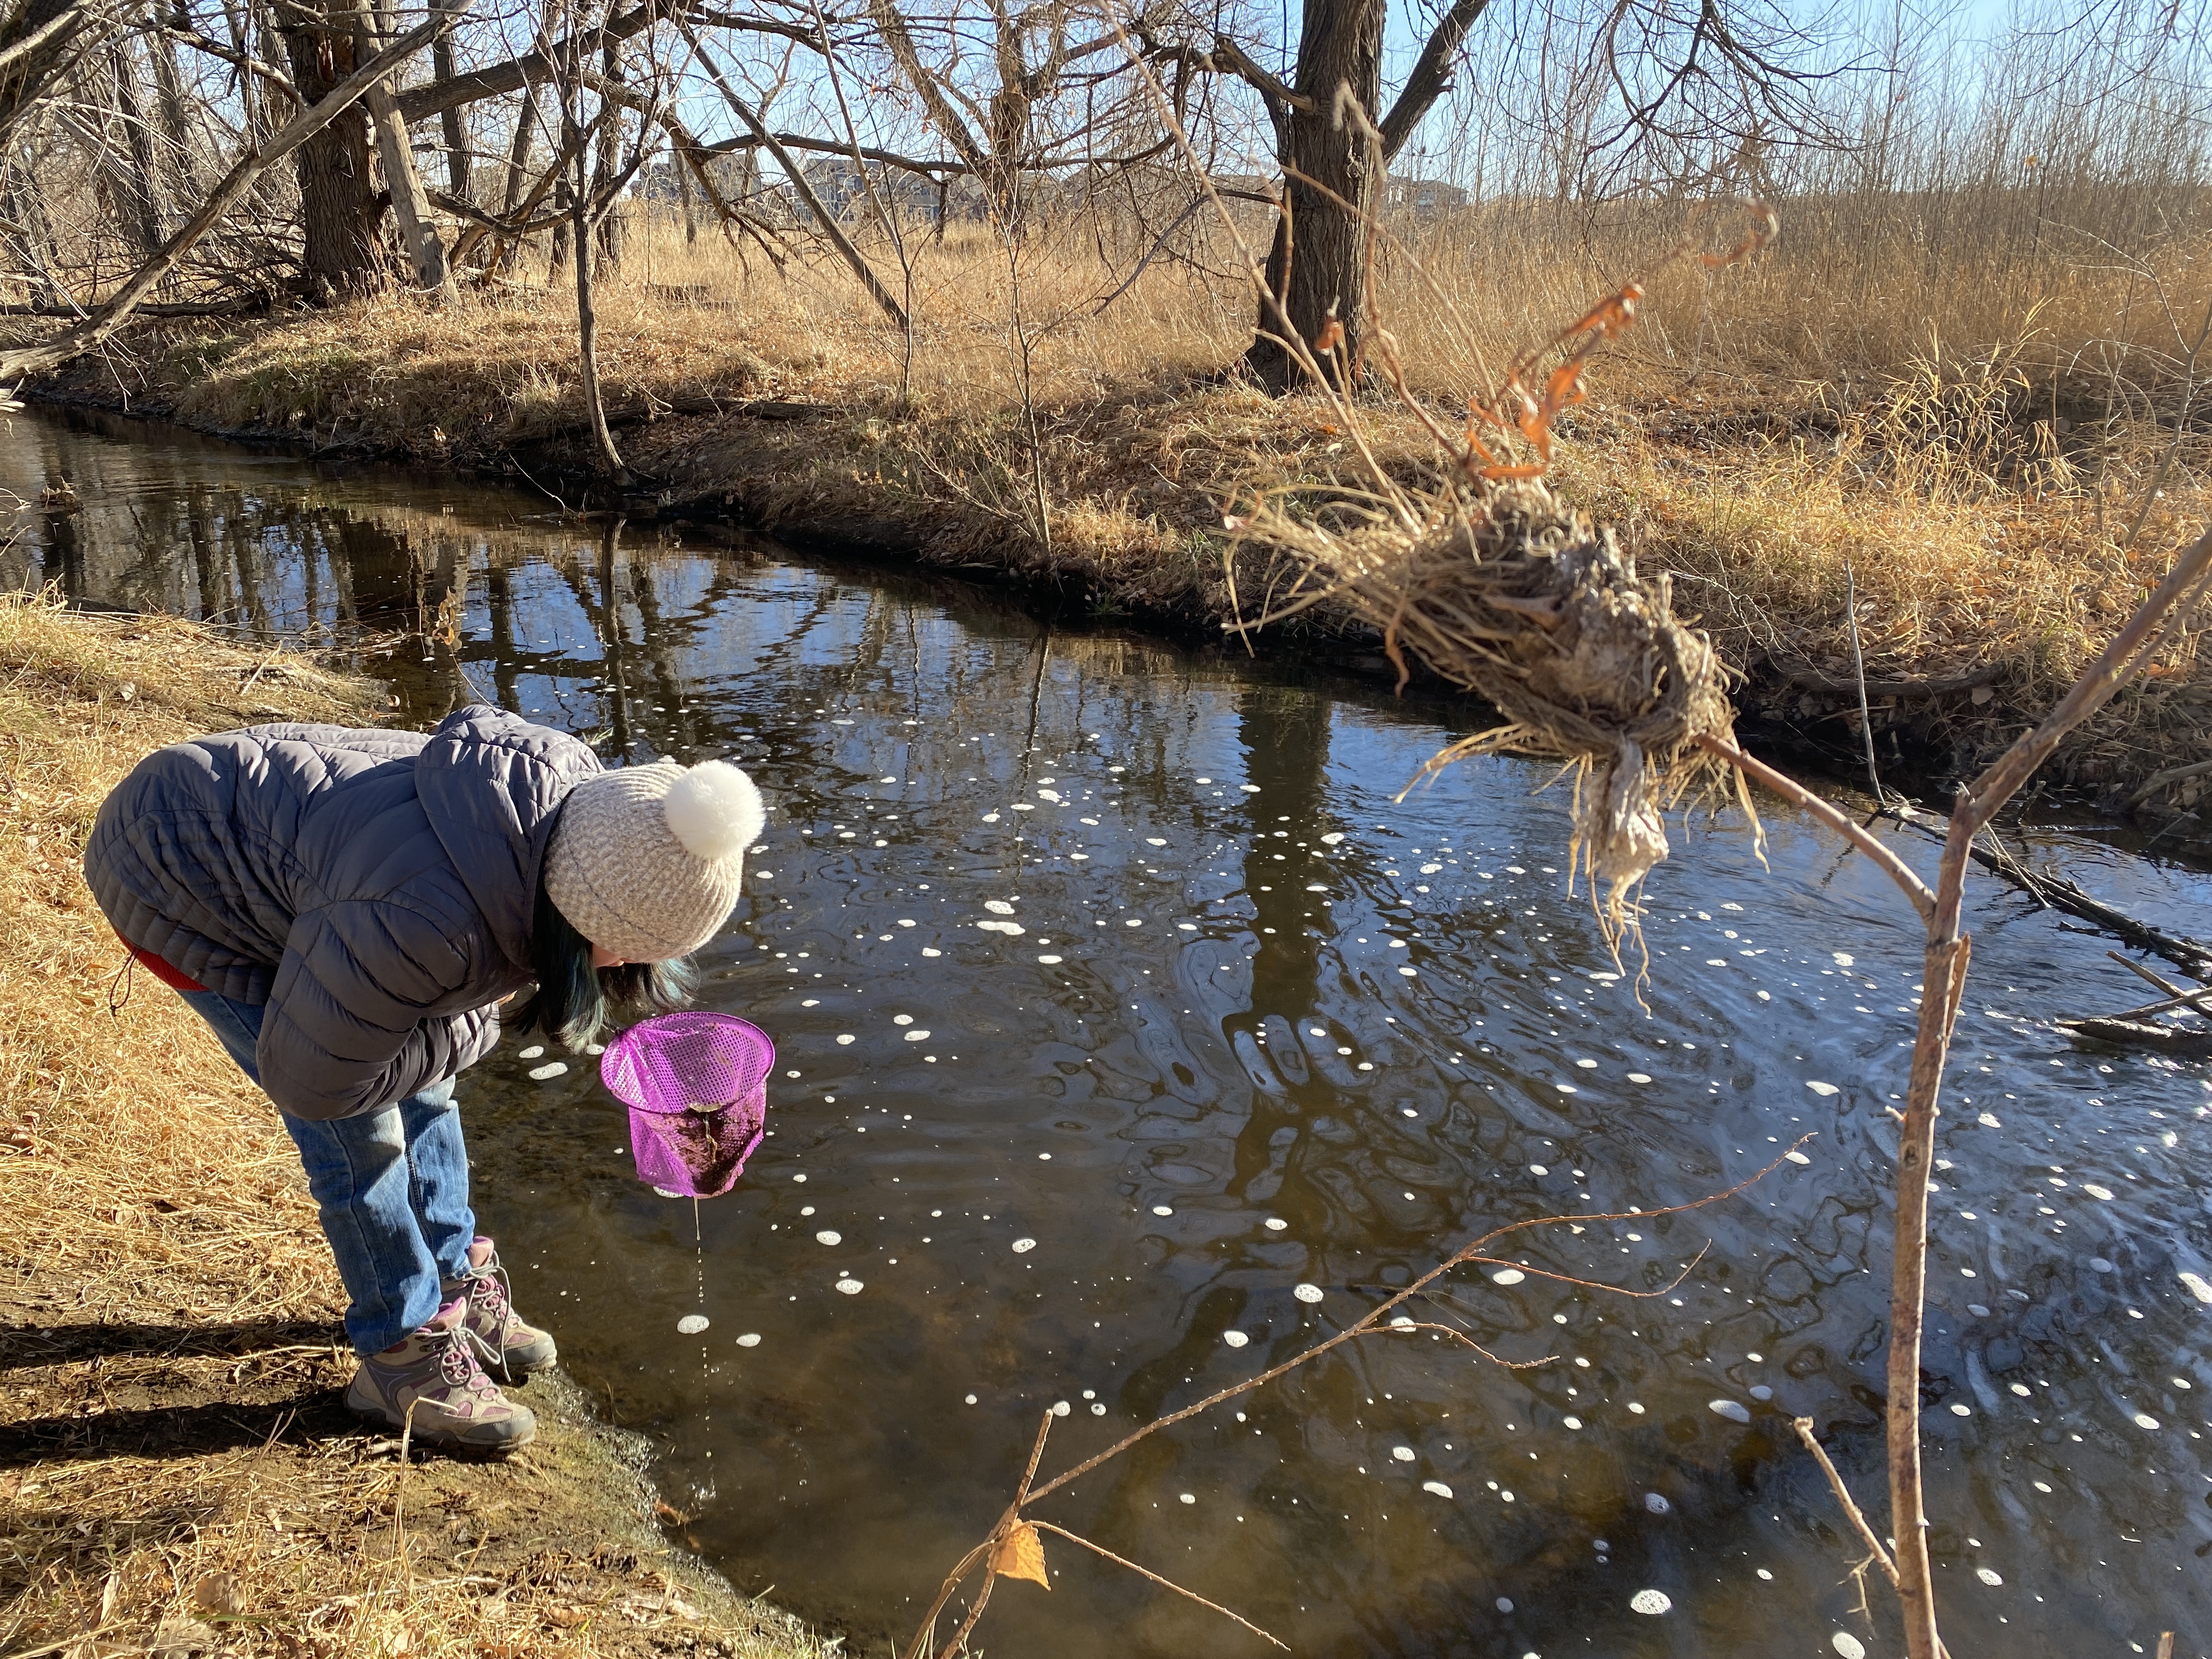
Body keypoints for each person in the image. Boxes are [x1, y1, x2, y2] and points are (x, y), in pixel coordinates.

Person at [83, 704, 763, 1453]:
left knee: (425, 1080)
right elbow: (315, 1084)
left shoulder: (587, 821)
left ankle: (451, 1273)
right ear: (580, 911)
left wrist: (445, 1033)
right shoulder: (427, 924)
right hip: (177, 873)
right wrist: (462, 1030)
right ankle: (399, 1349)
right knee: (360, 1139)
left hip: (319, 873)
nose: (623, 968)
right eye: (623, 950)